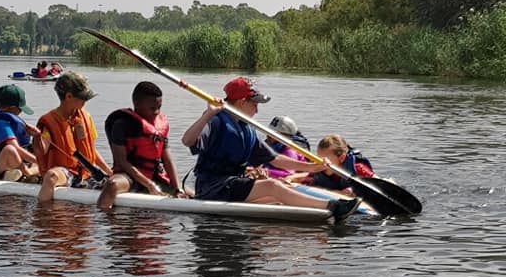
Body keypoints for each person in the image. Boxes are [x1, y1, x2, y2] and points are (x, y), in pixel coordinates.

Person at [181, 76, 362, 222]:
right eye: (255, 104)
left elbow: (275, 159)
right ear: (243, 102)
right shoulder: (216, 121)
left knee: (277, 198)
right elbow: (187, 140)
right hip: (213, 187)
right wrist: (208, 113)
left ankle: (317, 215)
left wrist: (314, 167)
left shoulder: (246, 130)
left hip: (232, 185)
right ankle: (332, 206)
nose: (257, 110)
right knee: (272, 185)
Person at [96, 80, 184, 211]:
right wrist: (149, 185)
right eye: (152, 108)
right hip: (129, 176)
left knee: (192, 193)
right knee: (112, 185)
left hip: (154, 175)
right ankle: (109, 225)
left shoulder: (160, 125)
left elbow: (167, 159)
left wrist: (178, 189)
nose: (156, 112)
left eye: (159, 107)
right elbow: (122, 161)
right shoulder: (121, 124)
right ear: (137, 104)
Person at [32, 71, 113, 202]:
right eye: (83, 98)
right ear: (68, 96)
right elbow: (41, 151)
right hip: (65, 172)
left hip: (88, 173)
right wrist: (36, 136)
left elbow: (92, 150)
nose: (85, 101)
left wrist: (109, 172)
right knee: (51, 176)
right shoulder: (49, 121)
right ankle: (43, 217)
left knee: (116, 183)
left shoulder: (86, 117)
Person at [0, 83, 41, 181]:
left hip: (20, 164)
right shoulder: (0, 124)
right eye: (20, 109)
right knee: (10, 149)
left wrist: (36, 136)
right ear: (12, 108)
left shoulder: (9, 121)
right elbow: (15, 147)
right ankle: (28, 173)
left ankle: (27, 172)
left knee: (39, 149)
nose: (21, 112)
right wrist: (39, 161)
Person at [290, 133, 374, 192]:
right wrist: (290, 178)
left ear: (341, 158)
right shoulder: (320, 169)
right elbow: (307, 175)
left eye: (326, 159)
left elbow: (377, 182)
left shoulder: (358, 169)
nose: (322, 162)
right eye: (319, 158)